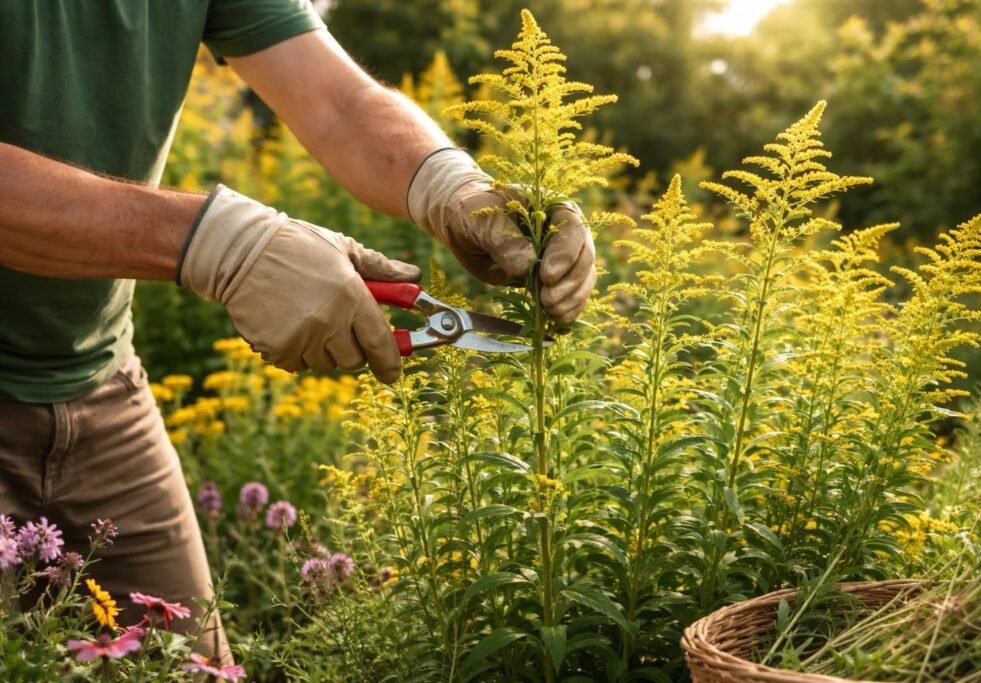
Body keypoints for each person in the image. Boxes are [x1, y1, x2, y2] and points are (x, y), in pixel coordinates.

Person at [0, 0, 595, 660]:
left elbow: (338, 103)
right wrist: (219, 242)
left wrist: (452, 185)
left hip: (97, 386)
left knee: (190, 667)